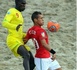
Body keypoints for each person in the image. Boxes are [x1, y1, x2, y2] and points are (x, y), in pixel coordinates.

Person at [2, 0, 35, 70]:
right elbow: (4, 23)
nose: (24, 5)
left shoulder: (19, 14)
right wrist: (15, 27)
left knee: (32, 62)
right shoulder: (12, 11)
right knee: (26, 55)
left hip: (19, 40)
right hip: (13, 39)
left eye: (25, 4)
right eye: (22, 3)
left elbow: (19, 31)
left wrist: (27, 35)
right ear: (17, 3)